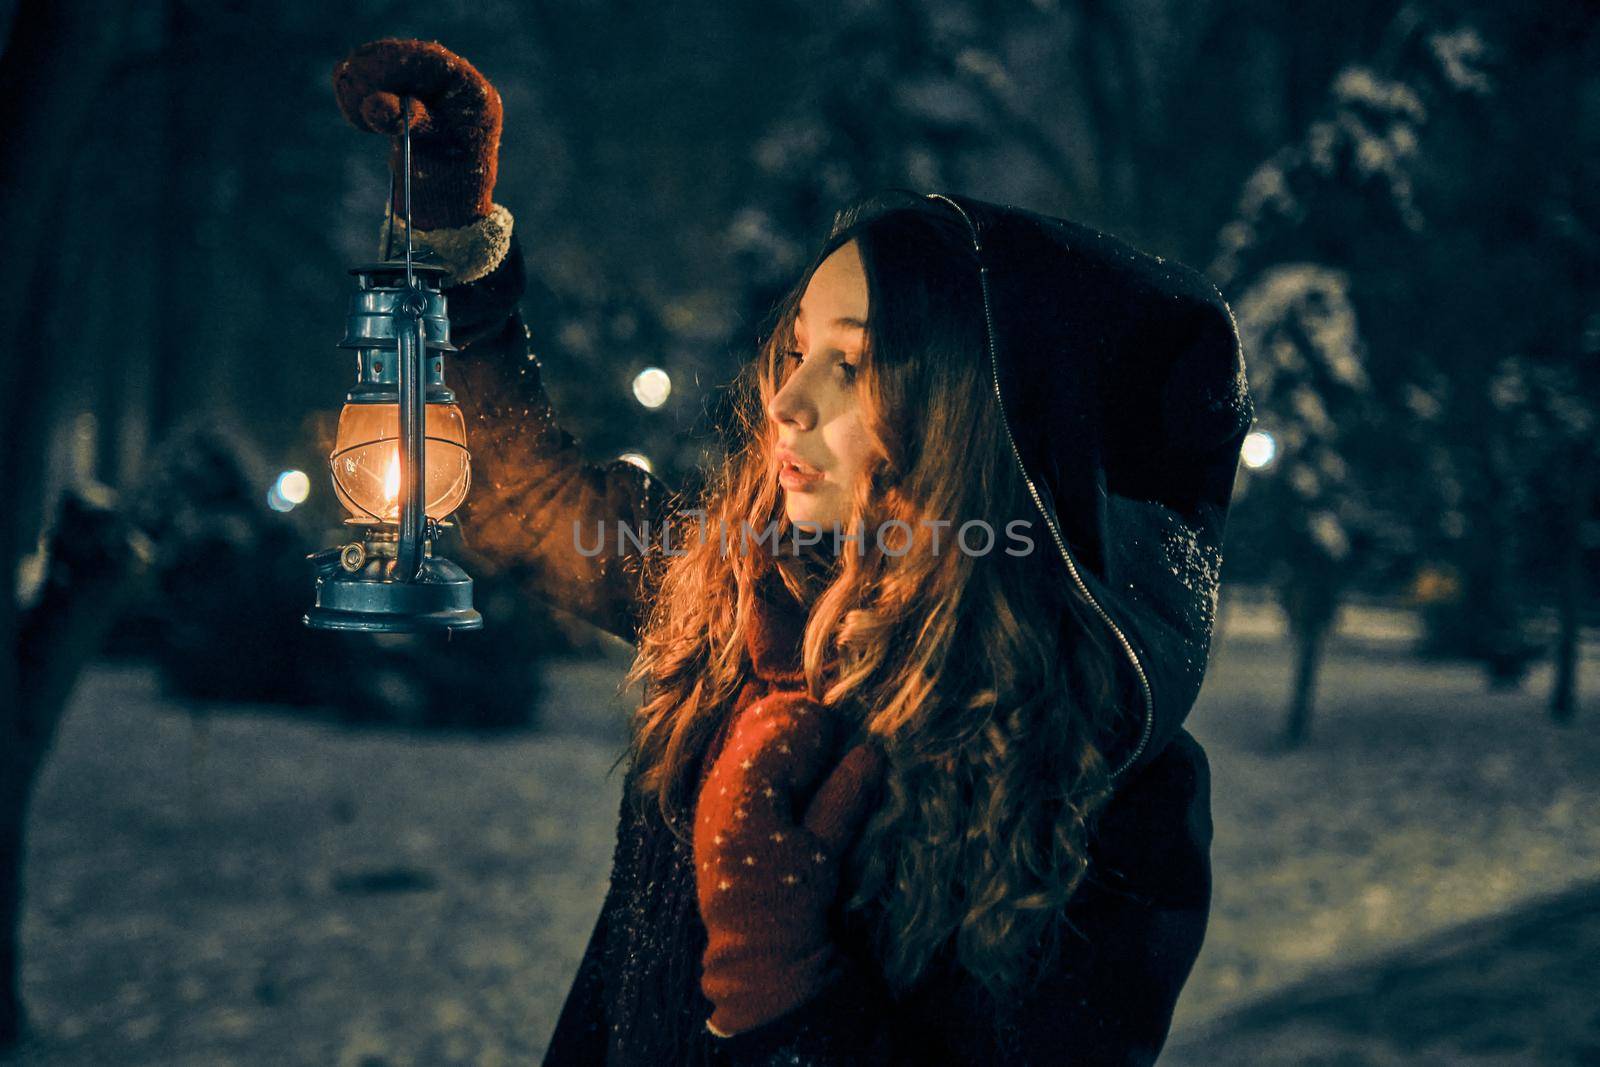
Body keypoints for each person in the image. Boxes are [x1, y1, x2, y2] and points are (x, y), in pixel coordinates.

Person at [333, 38, 1252, 1067]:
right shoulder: (735, 602)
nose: (785, 398)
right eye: (799, 347)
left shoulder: (1105, 803)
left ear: (982, 423)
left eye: (851, 363)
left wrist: (779, 985)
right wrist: (450, 234)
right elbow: (521, 499)